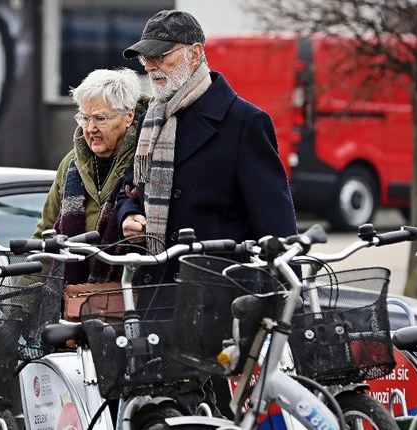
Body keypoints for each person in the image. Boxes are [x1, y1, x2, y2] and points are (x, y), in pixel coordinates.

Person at [116, 9, 299, 415]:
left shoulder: (244, 122)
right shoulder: (153, 118)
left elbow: (277, 225)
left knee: (215, 413)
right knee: (163, 409)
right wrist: (129, 215)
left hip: (219, 300)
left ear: (195, 54)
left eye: (161, 56)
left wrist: (286, 302)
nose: (151, 66)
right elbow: (129, 192)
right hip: (156, 291)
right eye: (147, 58)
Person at [33, 68, 150, 283]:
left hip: (131, 297)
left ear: (129, 115)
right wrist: (22, 307)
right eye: (84, 118)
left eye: (100, 118)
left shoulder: (146, 158)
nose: (90, 128)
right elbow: (45, 235)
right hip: (73, 303)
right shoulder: (71, 164)